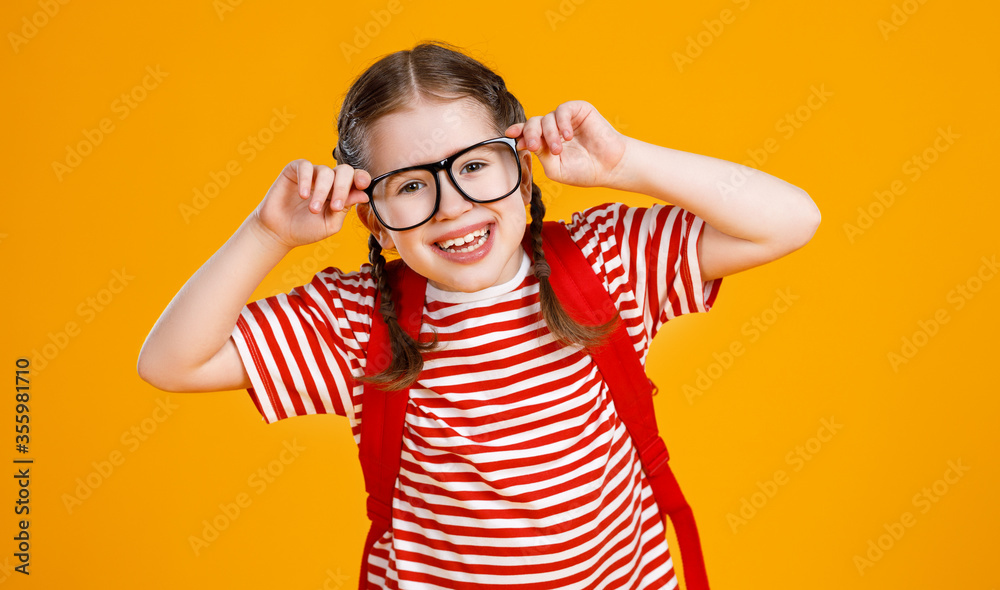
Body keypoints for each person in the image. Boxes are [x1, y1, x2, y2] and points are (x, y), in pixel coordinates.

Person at [138, 41, 820, 589]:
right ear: (373, 219)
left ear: (523, 172)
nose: (455, 206)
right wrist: (268, 233)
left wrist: (625, 161)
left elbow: (789, 221)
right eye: (411, 185)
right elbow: (169, 362)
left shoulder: (607, 259)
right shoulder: (354, 320)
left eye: (476, 166)